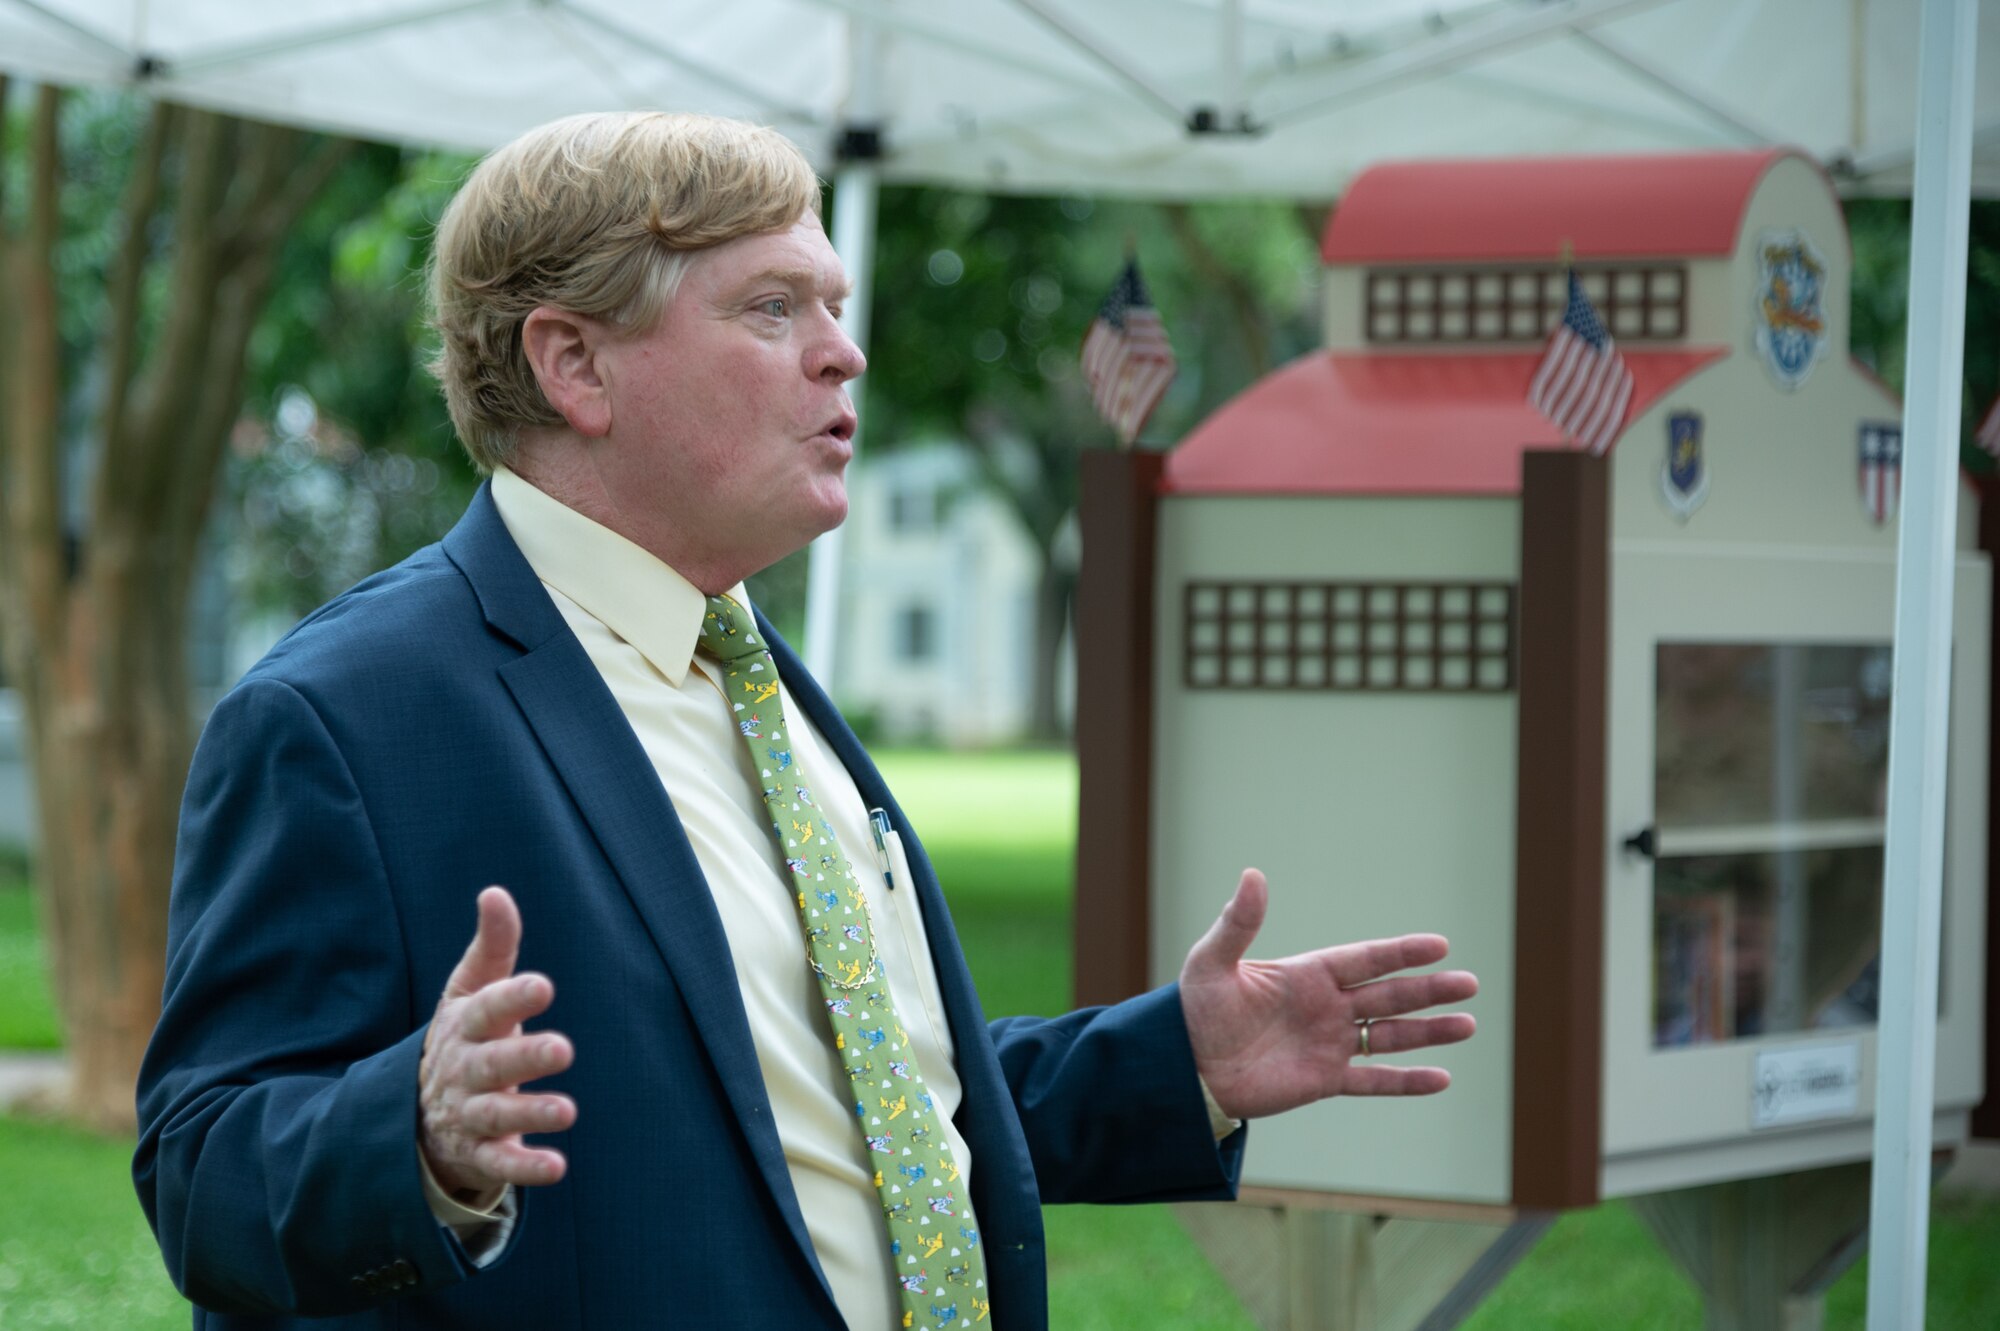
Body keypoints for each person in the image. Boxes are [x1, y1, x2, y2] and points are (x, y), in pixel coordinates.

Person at [134, 111, 1478, 1331]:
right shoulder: (341, 715)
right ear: (574, 366)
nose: (847, 350)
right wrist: (413, 1136)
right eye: (774, 307)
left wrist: (1168, 1066)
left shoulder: (754, 671)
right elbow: (202, 1170)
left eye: (834, 303)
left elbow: (846, 1094)